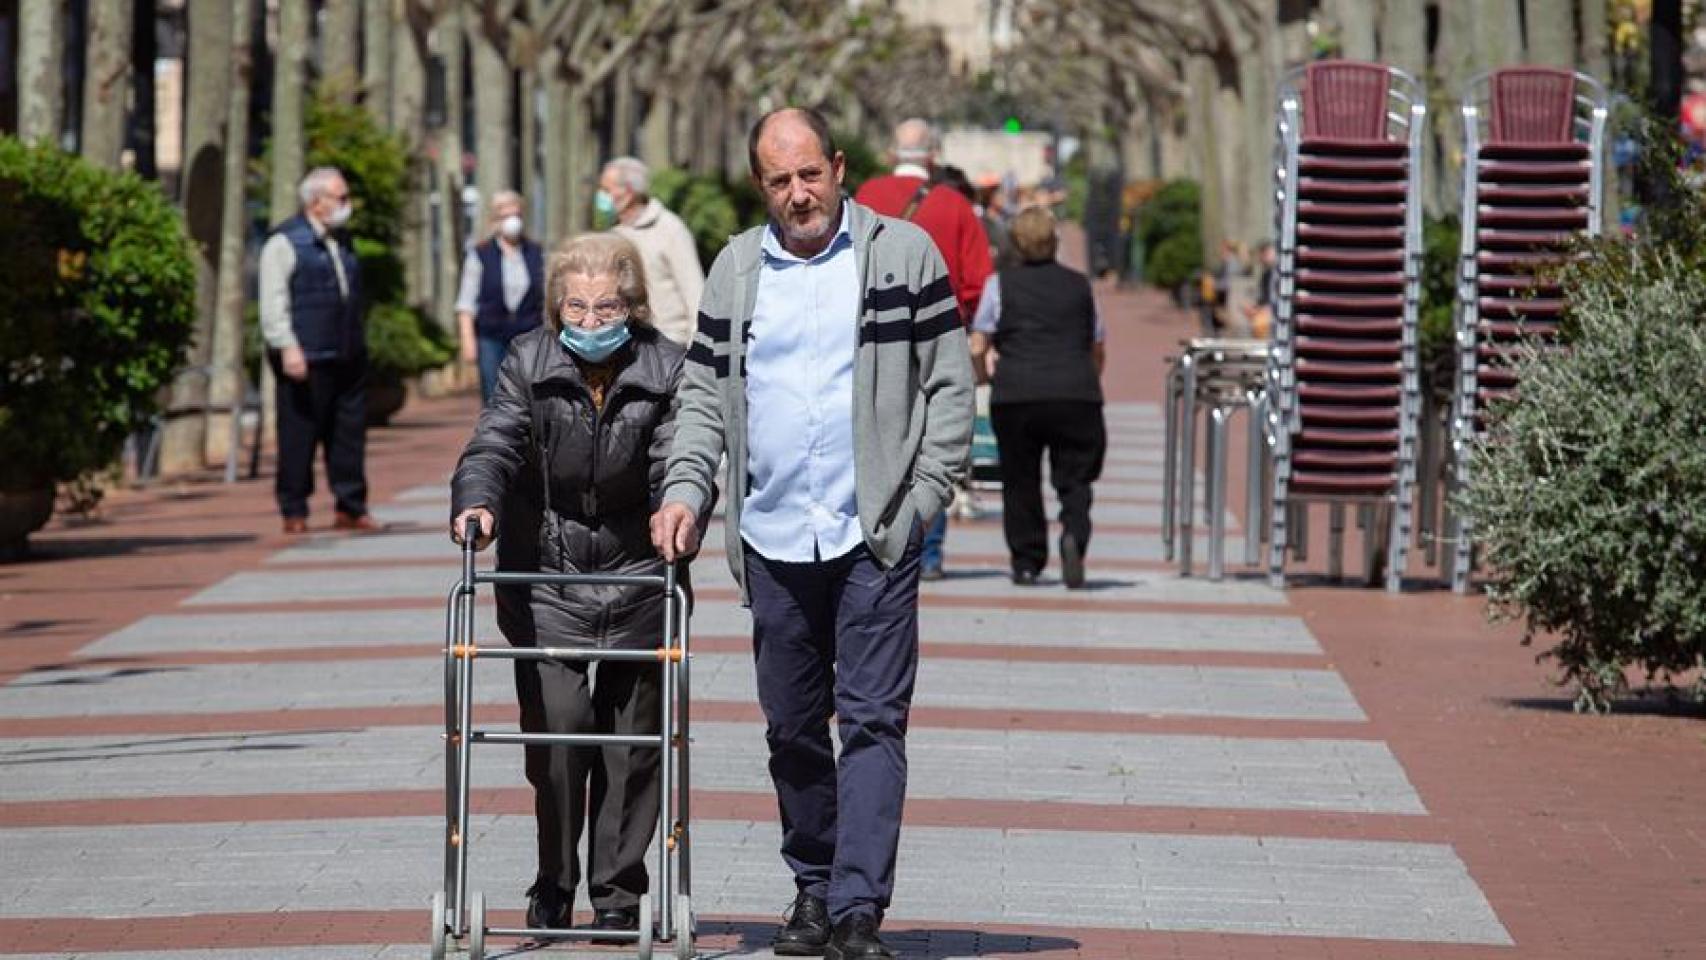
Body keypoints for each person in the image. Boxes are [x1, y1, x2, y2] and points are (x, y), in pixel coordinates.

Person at [650, 107, 974, 960]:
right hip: (773, 537)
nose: (799, 195)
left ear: (837, 167)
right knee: (791, 727)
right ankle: (814, 886)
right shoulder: (735, 271)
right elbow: (701, 403)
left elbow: (949, 386)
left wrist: (919, 503)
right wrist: (687, 490)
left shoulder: (903, 257)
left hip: (874, 538)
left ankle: (859, 908)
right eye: (780, 181)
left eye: (810, 175)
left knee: (870, 721)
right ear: (763, 186)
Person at [449, 234, 686, 940]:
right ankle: (554, 878)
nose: (590, 321)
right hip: (545, 574)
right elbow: (495, 440)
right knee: (559, 735)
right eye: (577, 307)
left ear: (632, 305)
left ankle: (618, 891)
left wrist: (682, 505)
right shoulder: (528, 360)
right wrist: (477, 500)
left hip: (638, 571)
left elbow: (679, 456)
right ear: (557, 306)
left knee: (632, 742)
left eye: (606, 305)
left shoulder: (667, 366)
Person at [853, 117, 992, 581]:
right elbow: (978, 280)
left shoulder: (866, 196)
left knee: (875, 430)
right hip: (940, 334)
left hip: (871, 334)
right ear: (933, 158)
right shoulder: (955, 205)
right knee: (935, 437)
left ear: (892, 154)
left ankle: (870, 534)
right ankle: (927, 549)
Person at [969, 206, 1107, 588]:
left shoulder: (999, 285)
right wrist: (1089, 378)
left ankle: (1027, 561)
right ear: (1055, 241)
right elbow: (1096, 342)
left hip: (1016, 393)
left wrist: (982, 376)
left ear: (1015, 243)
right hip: (1075, 392)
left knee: (1020, 479)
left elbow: (979, 342)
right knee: (1076, 477)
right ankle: (1074, 534)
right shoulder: (1080, 285)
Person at [258, 166, 375, 535]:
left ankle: (351, 506)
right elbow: (273, 302)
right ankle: (294, 509)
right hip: (305, 355)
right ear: (315, 202)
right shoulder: (285, 242)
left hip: (346, 352)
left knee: (349, 434)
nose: (347, 205)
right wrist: (287, 346)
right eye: (340, 198)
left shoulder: (343, 240)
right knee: (299, 434)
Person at [599, 157, 706, 347]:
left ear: (629, 192)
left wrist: (696, 352)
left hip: (670, 346)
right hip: (625, 347)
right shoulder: (612, 234)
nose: (601, 197)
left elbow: (695, 294)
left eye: (607, 190)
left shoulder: (670, 229)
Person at [455, 190, 546, 404]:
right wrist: (468, 341)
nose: (512, 221)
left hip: (528, 336)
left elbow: (545, 299)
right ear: (494, 221)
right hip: (491, 337)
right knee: (494, 396)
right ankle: (496, 437)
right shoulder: (480, 254)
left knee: (528, 396)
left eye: (516, 215)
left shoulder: (536, 252)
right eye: (505, 216)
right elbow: (466, 302)